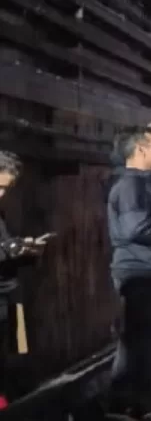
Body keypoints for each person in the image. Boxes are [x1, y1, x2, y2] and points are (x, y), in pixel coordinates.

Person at [106, 126, 151, 418]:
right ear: (139, 150)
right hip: (142, 272)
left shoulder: (147, 182)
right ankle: (132, 404)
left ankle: (139, 401)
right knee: (142, 342)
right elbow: (136, 228)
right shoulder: (131, 186)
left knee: (148, 340)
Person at [0, 152, 50, 408]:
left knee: (9, 357)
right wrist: (13, 248)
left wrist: (26, 253)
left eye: (6, 189)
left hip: (7, 294)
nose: (1, 194)